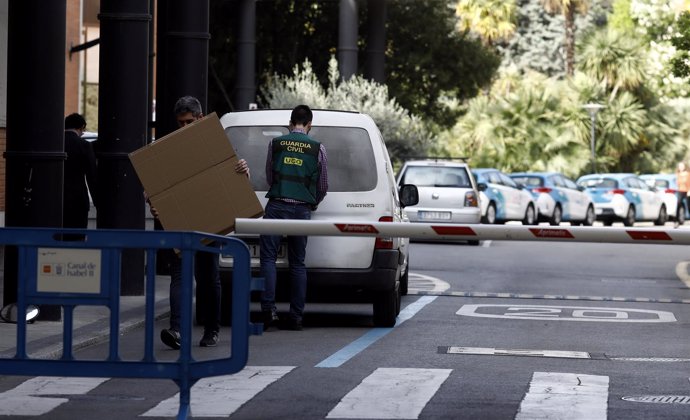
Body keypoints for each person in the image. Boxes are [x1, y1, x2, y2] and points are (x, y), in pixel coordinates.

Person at [153, 96, 250, 349]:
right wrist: (156, 204)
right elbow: (159, 188)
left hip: (209, 222)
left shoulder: (214, 142)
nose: (184, 128)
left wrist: (242, 169)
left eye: (188, 121)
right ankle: (177, 330)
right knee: (180, 276)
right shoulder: (169, 150)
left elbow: (232, 174)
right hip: (181, 223)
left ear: (200, 117)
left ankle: (211, 329)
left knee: (208, 278)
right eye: (180, 123)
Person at [260, 104, 328, 331]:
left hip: (277, 206)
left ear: (290, 123)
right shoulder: (318, 149)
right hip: (301, 210)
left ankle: (268, 311)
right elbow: (323, 185)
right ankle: (296, 317)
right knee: (298, 263)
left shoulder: (276, 143)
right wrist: (312, 201)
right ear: (310, 124)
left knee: (268, 258)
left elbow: (270, 176)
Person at [63, 113, 98, 237]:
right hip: (77, 200)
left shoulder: (54, 143)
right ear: (81, 127)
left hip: (55, 200)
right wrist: (97, 202)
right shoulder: (84, 145)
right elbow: (92, 176)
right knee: (76, 238)